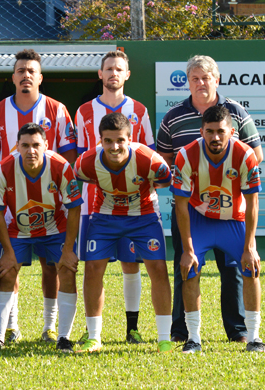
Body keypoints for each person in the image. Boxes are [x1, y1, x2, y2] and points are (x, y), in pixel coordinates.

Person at [157, 55, 263, 343]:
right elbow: (164, 160)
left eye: (206, 77)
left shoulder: (237, 115)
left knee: (241, 268)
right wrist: (187, 176)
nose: (201, 83)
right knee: (187, 266)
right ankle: (187, 334)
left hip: (232, 215)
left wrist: (250, 244)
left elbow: (255, 165)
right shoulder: (176, 122)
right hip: (195, 211)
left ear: (216, 79)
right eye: (195, 78)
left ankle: (245, 333)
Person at [0, 48, 77, 343]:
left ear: (40, 77)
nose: (26, 76)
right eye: (21, 71)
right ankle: (9, 327)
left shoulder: (58, 110)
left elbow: (67, 158)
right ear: (13, 77)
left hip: (52, 212)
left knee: (52, 269)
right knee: (10, 269)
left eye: (31, 71)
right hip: (12, 210)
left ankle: (51, 327)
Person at [74, 113, 173, 353]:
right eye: (108, 141)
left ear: (130, 139)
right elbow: (82, 178)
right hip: (105, 216)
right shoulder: (85, 163)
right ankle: (94, 337)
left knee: (158, 269)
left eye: (120, 140)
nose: (114, 146)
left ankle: (164, 338)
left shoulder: (151, 161)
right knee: (93, 268)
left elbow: (165, 180)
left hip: (144, 216)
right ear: (100, 140)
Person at [74, 50, 155, 344]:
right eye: (108, 69)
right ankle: (92, 329)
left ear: (127, 75)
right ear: (100, 74)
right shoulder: (83, 112)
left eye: (119, 69)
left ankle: (132, 327)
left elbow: (148, 156)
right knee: (93, 264)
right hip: (94, 203)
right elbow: (82, 159)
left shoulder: (140, 110)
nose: (113, 74)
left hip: (133, 203)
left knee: (130, 264)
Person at [171, 105, 265, 353]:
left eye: (220, 132)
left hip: (233, 220)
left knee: (250, 267)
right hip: (198, 219)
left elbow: (254, 203)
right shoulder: (186, 155)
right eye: (209, 131)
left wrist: (250, 247)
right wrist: (187, 249)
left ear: (231, 132)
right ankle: (193, 338)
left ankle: (254, 338)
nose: (215, 137)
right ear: (201, 131)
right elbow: (180, 207)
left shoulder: (245, 155)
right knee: (190, 269)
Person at [0, 123, 82, 352]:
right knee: (7, 273)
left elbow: (75, 208)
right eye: (25, 145)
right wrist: (8, 252)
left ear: (46, 145)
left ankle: (62, 336)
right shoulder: (3, 169)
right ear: (16, 147)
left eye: (36, 145)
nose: (31, 151)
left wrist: (68, 250)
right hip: (18, 230)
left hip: (54, 229)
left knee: (66, 271)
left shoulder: (60, 166)